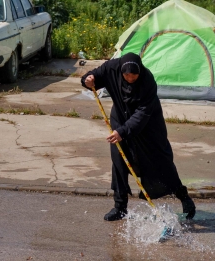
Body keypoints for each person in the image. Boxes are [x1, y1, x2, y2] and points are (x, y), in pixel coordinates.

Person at [82, 53, 195, 222]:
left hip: (148, 126)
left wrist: (123, 131)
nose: (130, 78)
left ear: (140, 72)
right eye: (126, 75)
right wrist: (87, 80)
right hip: (119, 122)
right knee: (119, 163)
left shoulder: (148, 81)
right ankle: (120, 207)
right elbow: (93, 77)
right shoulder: (112, 68)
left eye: (134, 75)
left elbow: (143, 113)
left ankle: (184, 197)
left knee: (160, 161)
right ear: (121, 71)